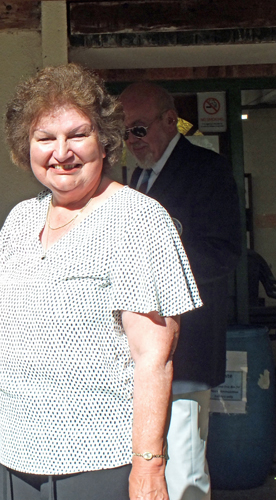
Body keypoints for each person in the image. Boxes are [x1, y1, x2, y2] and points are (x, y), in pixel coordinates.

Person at [0, 63, 202, 500]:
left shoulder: (137, 219)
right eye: (45, 138)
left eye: (77, 135)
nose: (62, 152)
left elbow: (154, 358)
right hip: (17, 459)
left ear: (104, 141)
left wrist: (148, 467)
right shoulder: (21, 220)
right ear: (26, 146)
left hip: (101, 464)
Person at [119, 82, 242, 500]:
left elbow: (224, 253)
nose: (132, 142)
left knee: (184, 473)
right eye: (124, 133)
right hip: (137, 353)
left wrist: (155, 274)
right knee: (145, 472)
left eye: (138, 129)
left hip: (187, 347)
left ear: (170, 121)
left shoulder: (207, 169)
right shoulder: (137, 178)